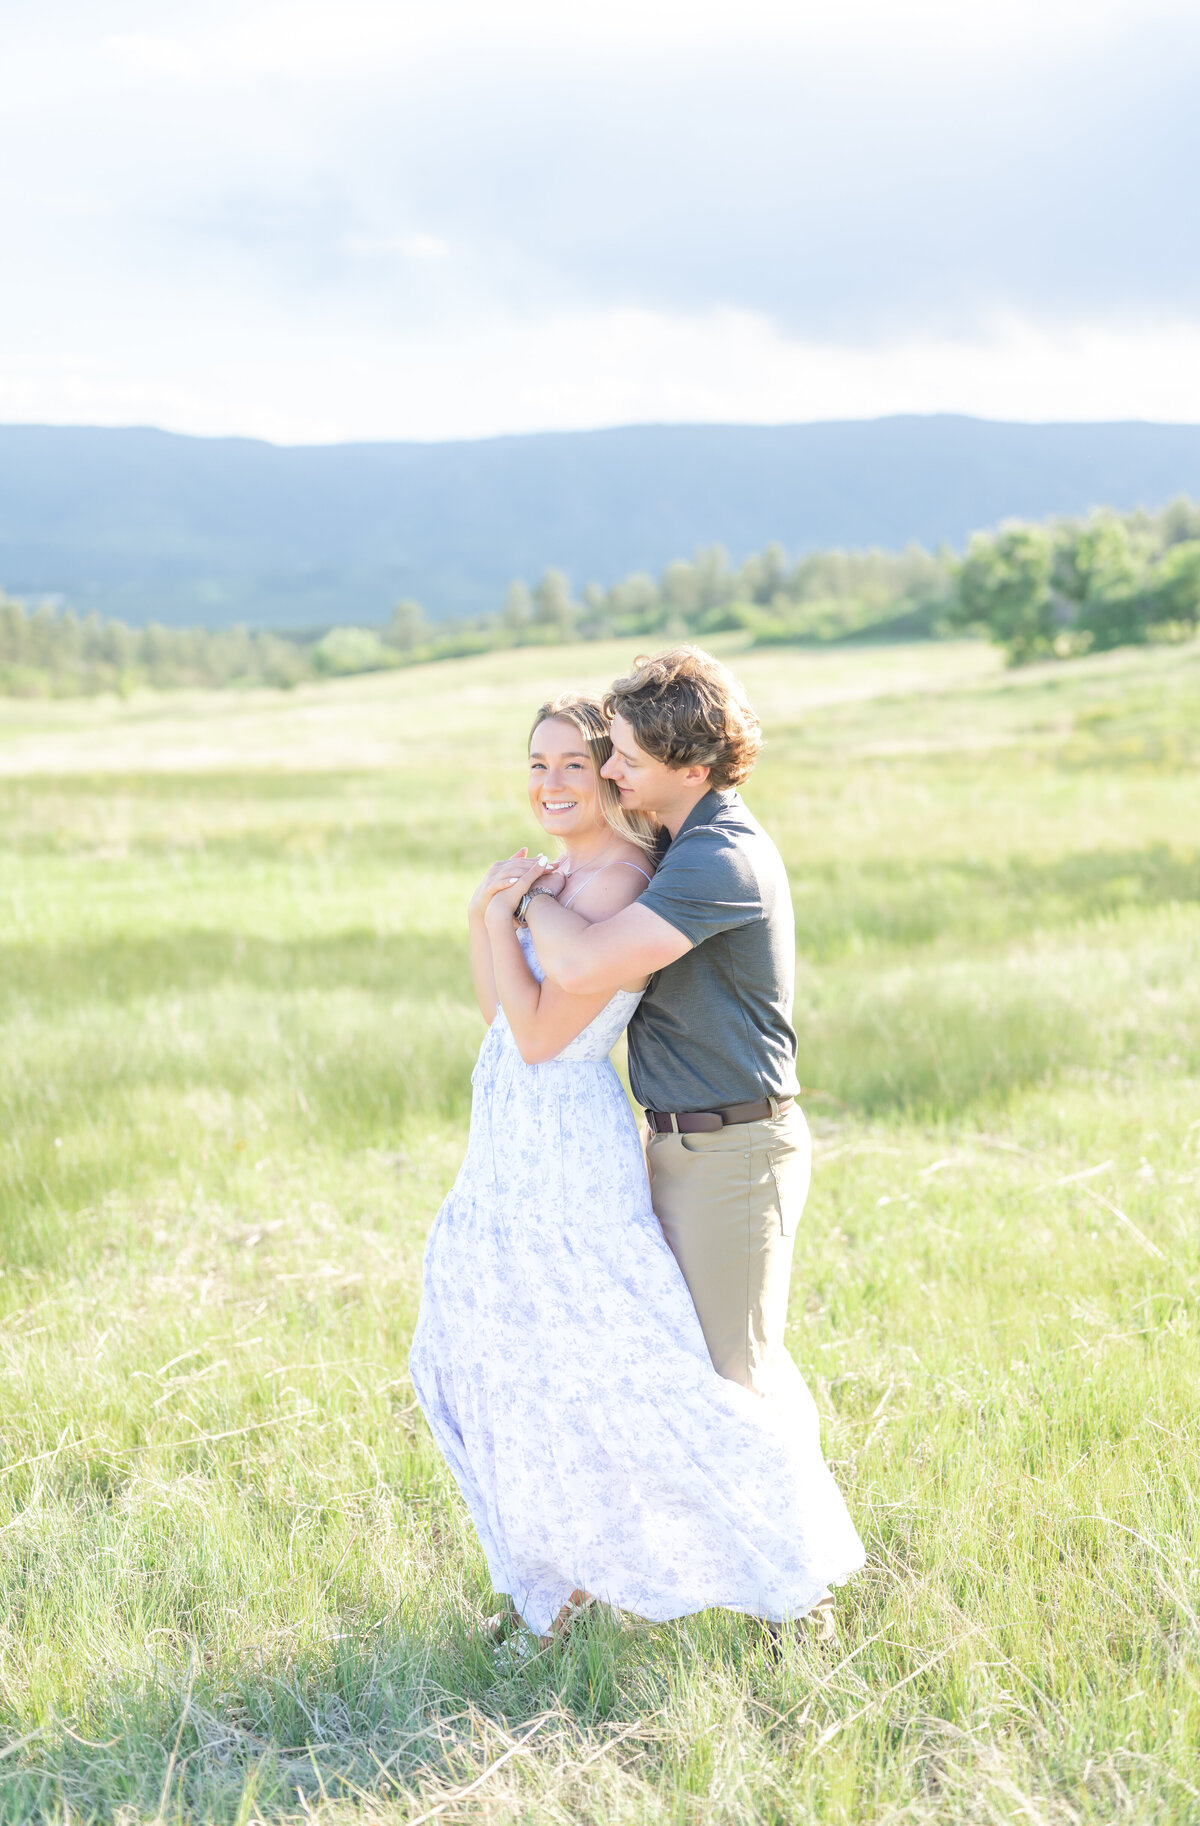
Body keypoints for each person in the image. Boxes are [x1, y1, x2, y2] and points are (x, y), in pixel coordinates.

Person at [409, 688, 863, 1645]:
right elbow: (500, 1019)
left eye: (586, 760)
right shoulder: (576, 875)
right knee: (534, 1365)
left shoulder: (631, 877)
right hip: (536, 1145)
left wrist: (511, 908)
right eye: (543, 764)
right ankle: (560, 1586)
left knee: (674, 1374)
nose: (570, 779)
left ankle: (792, 1584)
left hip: (597, 1144)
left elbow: (540, 1033)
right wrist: (489, 912)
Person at [516, 647, 812, 1400]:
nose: (609, 772)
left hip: (734, 1154)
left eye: (627, 760)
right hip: (682, 1144)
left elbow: (583, 967)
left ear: (693, 770)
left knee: (734, 1386)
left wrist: (528, 901)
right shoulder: (681, 845)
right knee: (681, 1376)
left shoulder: (722, 859)